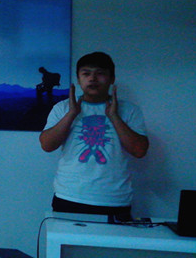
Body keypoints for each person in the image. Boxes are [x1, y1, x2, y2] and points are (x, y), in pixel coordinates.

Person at [39, 52, 149, 217]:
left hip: (114, 199)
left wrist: (114, 116)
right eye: (86, 73)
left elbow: (139, 151)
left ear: (111, 79)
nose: (93, 78)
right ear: (78, 79)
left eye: (100, 73)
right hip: (69, 196)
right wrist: (71, 114)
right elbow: (47, 145)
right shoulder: (63, 108)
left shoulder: (129, 110)